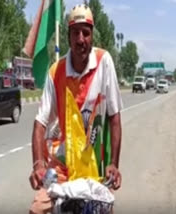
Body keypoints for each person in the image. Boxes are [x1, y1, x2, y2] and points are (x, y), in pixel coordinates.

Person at [29, 4, 123, 214]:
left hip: (95, 170)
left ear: (92, 35)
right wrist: (37, 164)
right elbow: (40, 123)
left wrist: (114, 164)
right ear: (69, 36)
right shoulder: (56, 71)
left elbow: (115, 118)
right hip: (62, 169)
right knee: (37, 209)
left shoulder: (104, 62)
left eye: (86, 33)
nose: (81, 39)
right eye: (75, 33)